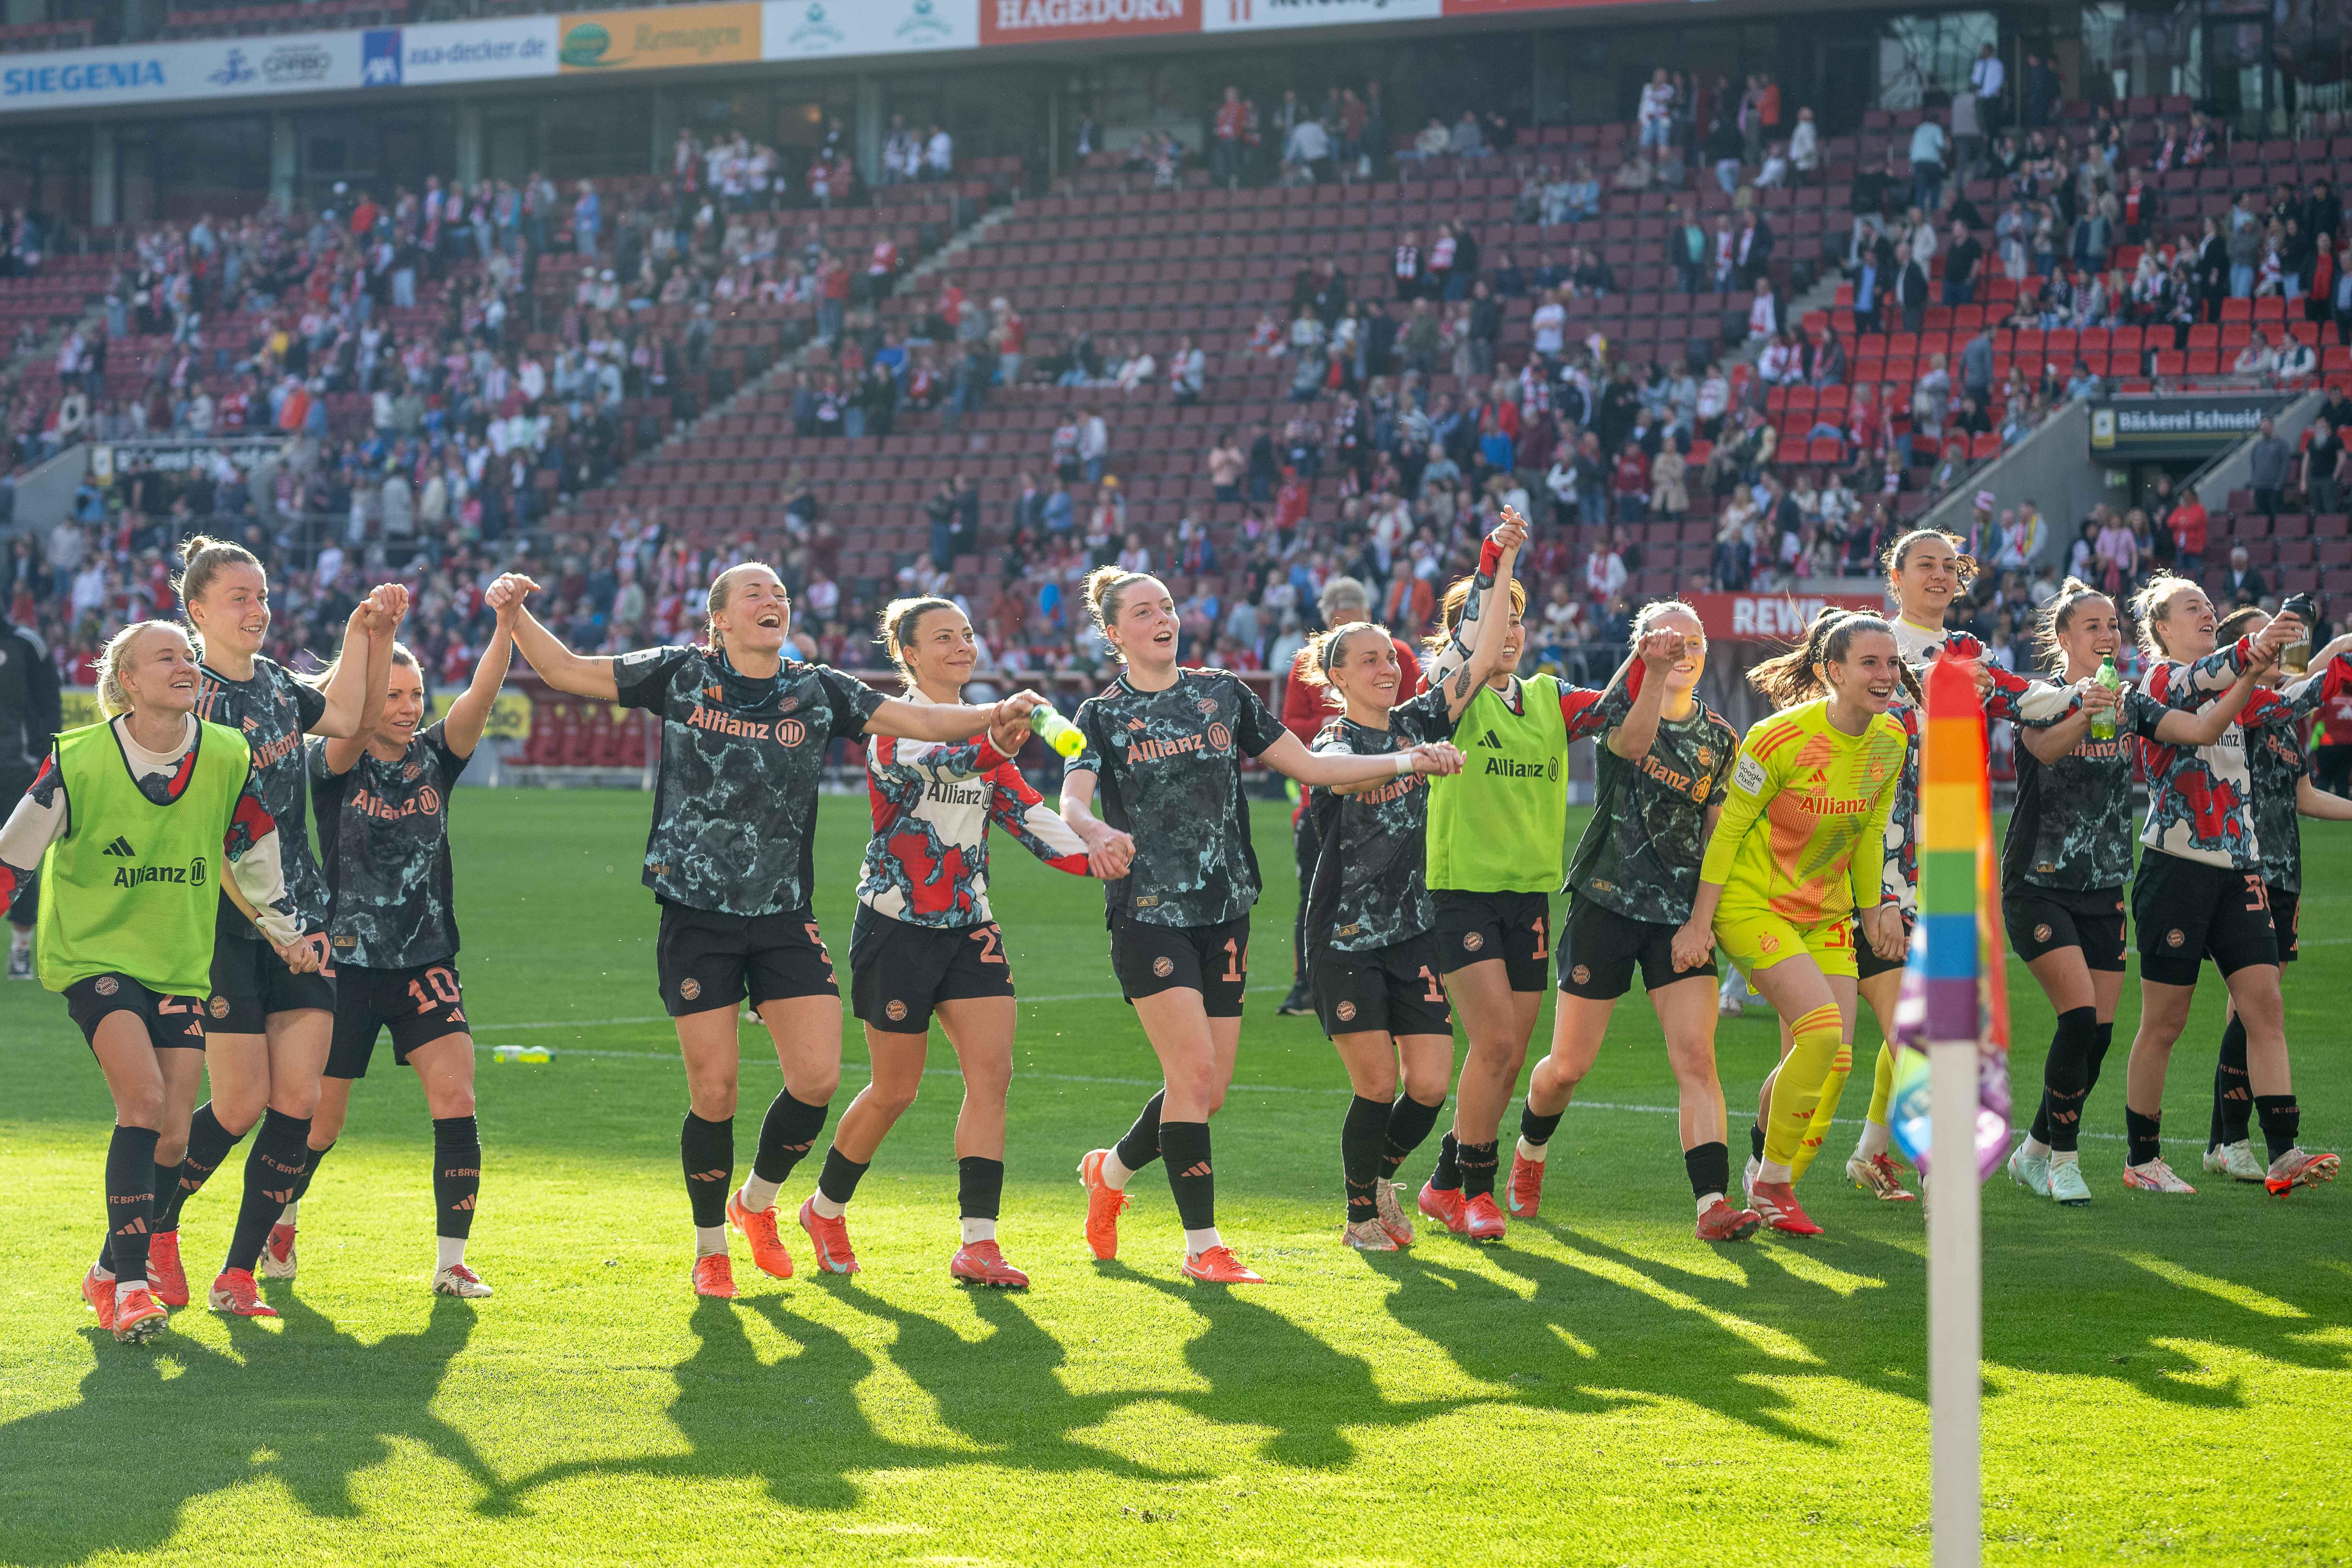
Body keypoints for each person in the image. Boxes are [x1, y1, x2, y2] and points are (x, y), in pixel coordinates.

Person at [487, 562, 1052, 1297]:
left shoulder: (816, 688)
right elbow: (564, 670)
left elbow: (915, 719)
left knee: (817, 1078)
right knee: (716, 1090)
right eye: (755, 592)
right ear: (719, 617)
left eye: (782, 592)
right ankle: (711, 1245)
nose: (773, 601)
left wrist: (994, 717)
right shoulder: (680, 674)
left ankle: (756, 1200)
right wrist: (512, 613)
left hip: (784, 915)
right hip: (697, 916)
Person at [1062, 568, 1465, 1284]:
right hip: (1149, 914)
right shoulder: (1099, 713)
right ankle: (1202, 1246)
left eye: (1169, 606)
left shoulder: (1222, 693)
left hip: (1226, 911)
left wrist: (1411, 757)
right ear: (1114, 632)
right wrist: (1093, 830)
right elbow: (1072, 801)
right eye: (1144, 611)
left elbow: (1313, 767)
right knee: (1189, 1076)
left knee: (1207, 1089)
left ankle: (1111, 1171)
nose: (1163, 618)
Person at [0, 621, 317, 1342]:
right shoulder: (78, 760)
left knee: (173, 1134)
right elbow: (12, 858)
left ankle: (110, 1269)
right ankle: (134, 1289)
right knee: (141, 1101)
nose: (185, 664)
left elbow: (255, 847)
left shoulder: (226, 755)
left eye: (188, 655)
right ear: (129, 682)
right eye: (165, 657)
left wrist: (289, 934)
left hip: (178, 961)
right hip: (95, 958)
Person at [819, 598, 1101, 1288]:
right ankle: (824, 1208)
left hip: (969, 925)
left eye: (967, 634)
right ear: (908, 655)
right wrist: (1000, 737)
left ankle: (978, 1242)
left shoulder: (987, 735)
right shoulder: (892, 727)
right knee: (894, 1090)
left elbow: (1030, 817)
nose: (961, 645)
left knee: (992, 1075)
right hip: (895, 927)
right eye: (943, 637)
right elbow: (948, 763)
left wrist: (1107, 850)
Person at [1415, 537, 1670, 1243]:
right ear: (1465, 634)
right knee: (1495, 1041)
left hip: (1526, 896)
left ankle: (1442, 1181)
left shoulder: (1548, 697)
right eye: (1493, 618)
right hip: (1458, 891)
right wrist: (1494, 563)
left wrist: (1650, 659)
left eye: (1517, 619)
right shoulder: (1450, 694)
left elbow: (1622, 724)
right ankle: (1475, 1190)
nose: (1508, 630)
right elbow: (1473, 636)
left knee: (1504, 1056)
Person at [165, 538, 395, 1320]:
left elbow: (352, 713)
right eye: (239, 597)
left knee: (297, 1098)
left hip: (303, 923)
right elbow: (211, 836)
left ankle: (237, 1274)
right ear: (197, 612)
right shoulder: (186, 702)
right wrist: (270, 925)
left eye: (262, 595)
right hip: (228, 926)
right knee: (237, 1106)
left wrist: (368, 632)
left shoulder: (274, 685)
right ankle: (143, 1236)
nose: (258, 609)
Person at [274, 598, 518, 1296]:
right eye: (393, 694)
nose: (409, 707)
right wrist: (377, 640)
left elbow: (481, 694)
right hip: (343, 966)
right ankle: (282, 1217)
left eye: (415, 695)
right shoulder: (332, 760)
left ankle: (451, 1261)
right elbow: (347, 724)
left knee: (456, 1096)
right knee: (322, 1124)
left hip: (427, 961)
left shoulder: (437, 757)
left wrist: (504, 626)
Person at [1301, 515, 1525, 1251]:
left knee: (1429, 1084)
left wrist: (1498, 558)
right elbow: (1340, 777)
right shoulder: (1332, 744)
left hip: (1412, 935)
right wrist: (1412, 762)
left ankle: (1379, 1183)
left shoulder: (1419, 719)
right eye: (1364, 661)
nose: (1384, 667)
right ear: (1336, 677)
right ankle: (1360, 1216)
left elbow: (1481, 647)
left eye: (1388, 656)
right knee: (1374, 1082)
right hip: (1344, 940)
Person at [2001, 583, 2264, 1204]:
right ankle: (2063, 1161)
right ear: (2062, 638)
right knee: (2076, 1017)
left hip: (2103, 884)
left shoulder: (2129, 699)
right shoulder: (2038, 699)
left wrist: (2246, 677)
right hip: (2037, 883)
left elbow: (2199, 727)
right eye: (2091, 626)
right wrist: (2077, 707)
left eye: (2112, 626)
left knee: (2096, 1036)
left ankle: (2034, 1148)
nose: (2105, 636)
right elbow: (2042, 750)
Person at [1511, 600, 1765, 1242]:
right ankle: (1529, 1154)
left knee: (1696, 1060)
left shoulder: (1720, 739)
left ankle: (1711, 1203)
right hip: (1604, 901)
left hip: (1675, 919)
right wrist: (1648, 675)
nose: (1682, 650)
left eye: (1694, 641)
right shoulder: (1618, 710)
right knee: (1567, 1066)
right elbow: (1629, 746)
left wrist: (1700, 923)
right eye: (1667, 640)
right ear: (1643, 648)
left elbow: (1718, 839)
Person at [1837, 530, 2073, 1202]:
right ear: (1895, 575)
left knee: (1923, 1021)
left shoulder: (1969, 654)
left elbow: (2024, 698)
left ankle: (1869, 1153)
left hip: (1945, 861)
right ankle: (1770, 1167)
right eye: (1925, 565)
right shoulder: (1870, 645)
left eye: (1949, 566)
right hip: (1872, 858)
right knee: (1851, 1038)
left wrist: (2083, 696)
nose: (1939, 576)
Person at [1679, 609, 1910, 1237]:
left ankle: (1759, 1167)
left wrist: (1872, 913)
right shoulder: (1774, 738)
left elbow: (1866, 836)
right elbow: (1726, 831)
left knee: (1831, 1056)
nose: (1885, 674)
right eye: (1869, 662)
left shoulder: (1890, 741)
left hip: (1825, 913)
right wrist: (1700, 923)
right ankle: (1773, 1183)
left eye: (1890, 662)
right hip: (1752, 904)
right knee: (1820, 1030)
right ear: (1831, 671)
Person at [2115, 576, 2343, 1194]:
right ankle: (2141, 1159)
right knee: (2164, 1022)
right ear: (2160, 628)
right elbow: (2210, 676)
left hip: (2241, 868)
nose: (2206, 612)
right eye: (2191, 607)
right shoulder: (2158, 680)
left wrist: (2340, 661)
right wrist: (2260, 646)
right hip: (2175, 870)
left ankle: (2282, 1152)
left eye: (2208, 605)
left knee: (2263, 1005)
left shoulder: (2235, 687)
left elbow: (2291, 701)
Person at [2201, 604, 2352, 1186]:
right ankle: (2233, 1139)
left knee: (2248, 1009)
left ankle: (2223, 1138)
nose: (2279, 640)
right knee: (2252, 1007)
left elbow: (2305, 796)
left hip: (2284, 873)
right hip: (2243, 869)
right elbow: (2303, 675)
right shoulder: (2239, 707)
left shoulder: (2286, 713)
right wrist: (2335, 645)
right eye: (2266, 633)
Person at [1278, 576, 1424, 1017]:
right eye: (1334, 620)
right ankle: (1306, 982)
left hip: (1396, 803)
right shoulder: (1307, 663)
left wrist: (1371, 721)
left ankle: (1407, 977)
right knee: (1316, 890)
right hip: (1320, 800)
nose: (1341, 622)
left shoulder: (1398, 654)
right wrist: (1340, 723)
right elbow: (1290, 725)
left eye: (1351, 616)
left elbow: (1415, 707)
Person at [1, 602, 60, 981]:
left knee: (18, 861)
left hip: (16, 772)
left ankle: (21, 951)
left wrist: (45, 763)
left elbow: (49, 707)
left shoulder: (27, 645)